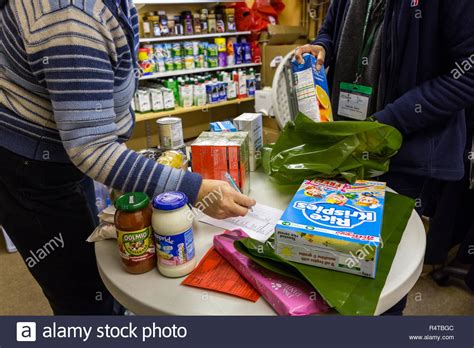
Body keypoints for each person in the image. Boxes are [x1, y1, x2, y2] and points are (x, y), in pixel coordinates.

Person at [0, 0, 255, 315]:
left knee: (90, 256)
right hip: (31, 170)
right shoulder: (71, 18)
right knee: (82, 295)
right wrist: (195, 189)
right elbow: (91, 148)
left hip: (60, 155)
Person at [296, 0, 474, 314]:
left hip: (402, 156)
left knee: (382, 282)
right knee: (335, 258)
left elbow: (466, 75)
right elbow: (330, 29)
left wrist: (390, 121)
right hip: (346, 145)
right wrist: (321, 47)